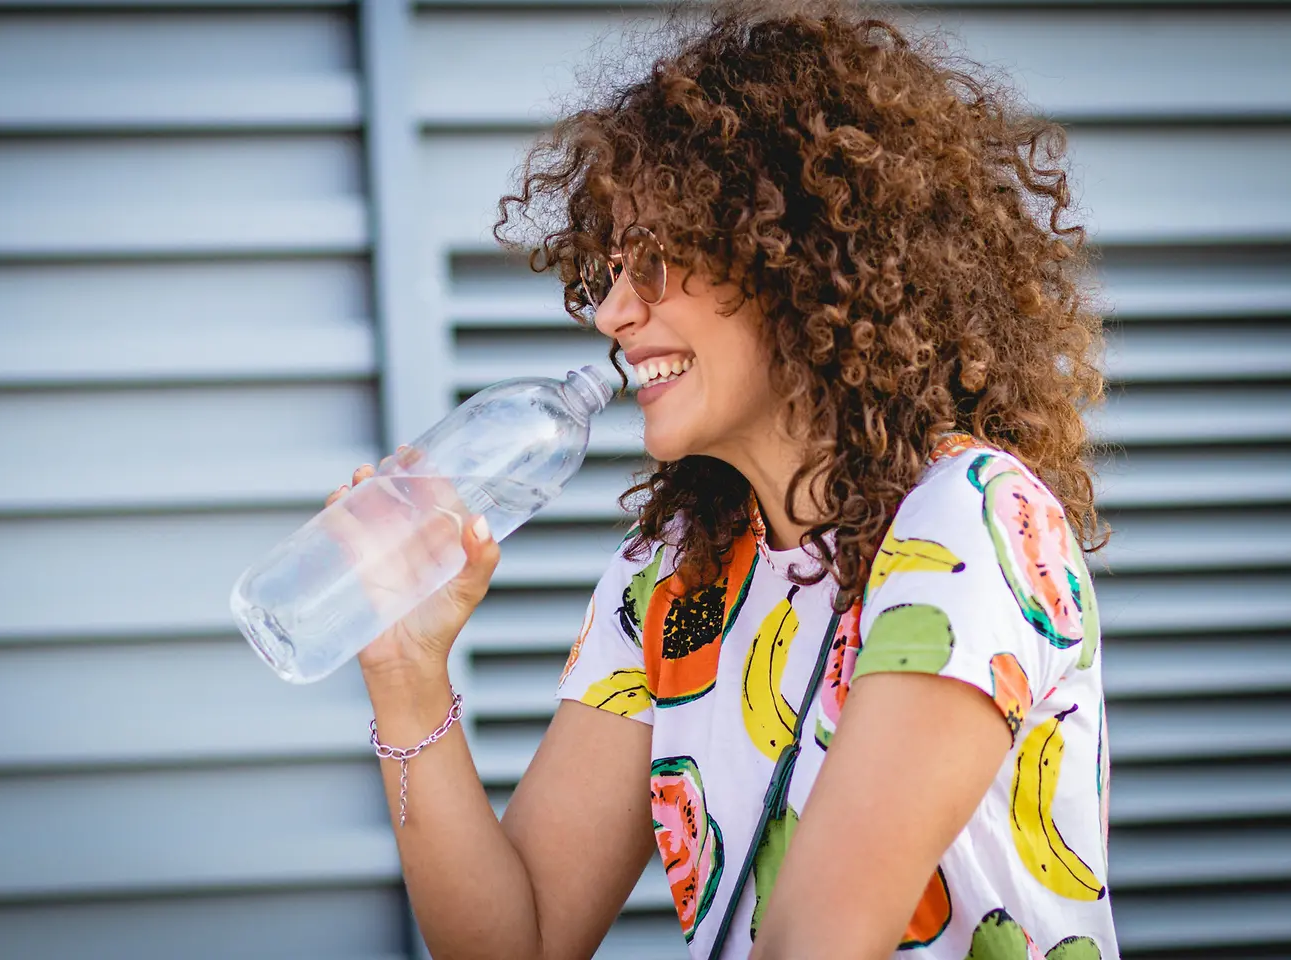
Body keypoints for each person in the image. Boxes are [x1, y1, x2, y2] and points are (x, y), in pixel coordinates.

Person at [330, 2, 1118, 957]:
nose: (614, 311)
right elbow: (520, 944)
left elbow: (814, 944)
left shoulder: (976, 521)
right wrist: (407, 676)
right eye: (608, 270)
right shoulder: (673, 578)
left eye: (655, 260)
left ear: (799, 253)